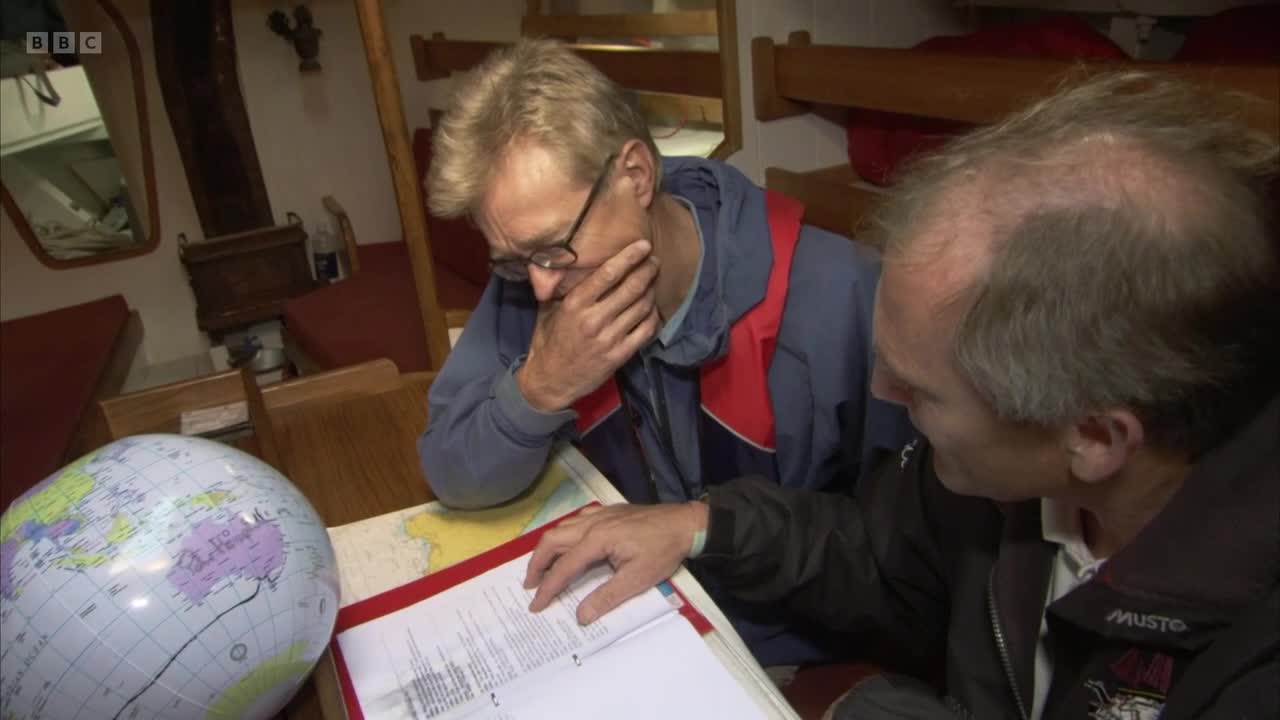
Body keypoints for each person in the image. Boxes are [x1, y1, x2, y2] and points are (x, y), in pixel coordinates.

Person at [522, 71, 1280, 719]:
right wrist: (698, 525)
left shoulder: (1249, 671)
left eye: (919, 390)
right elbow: (877, 549)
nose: (879, 391)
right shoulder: (1001, 481)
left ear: (1095, 438)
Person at [417, 38, 912, 667]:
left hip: (793, 656)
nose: (540, 286)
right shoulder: (533, 283)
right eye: (512, 260)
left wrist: (706, 531)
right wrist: (538, 387)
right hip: (629, 630)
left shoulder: (837, 297)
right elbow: (451, 469)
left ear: (636, 175)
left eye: (550, 249)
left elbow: (901, 563)